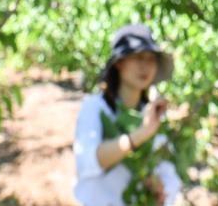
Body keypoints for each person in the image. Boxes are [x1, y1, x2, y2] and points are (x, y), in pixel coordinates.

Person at [73, 23, 181, 206]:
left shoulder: (153, 114)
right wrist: (141, 134)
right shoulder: (95, 107)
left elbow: (167, 171)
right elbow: (88, 161)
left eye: (150, 59)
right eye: (138, 57)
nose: (145, 65)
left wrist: (162, 189)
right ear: (119, 63)